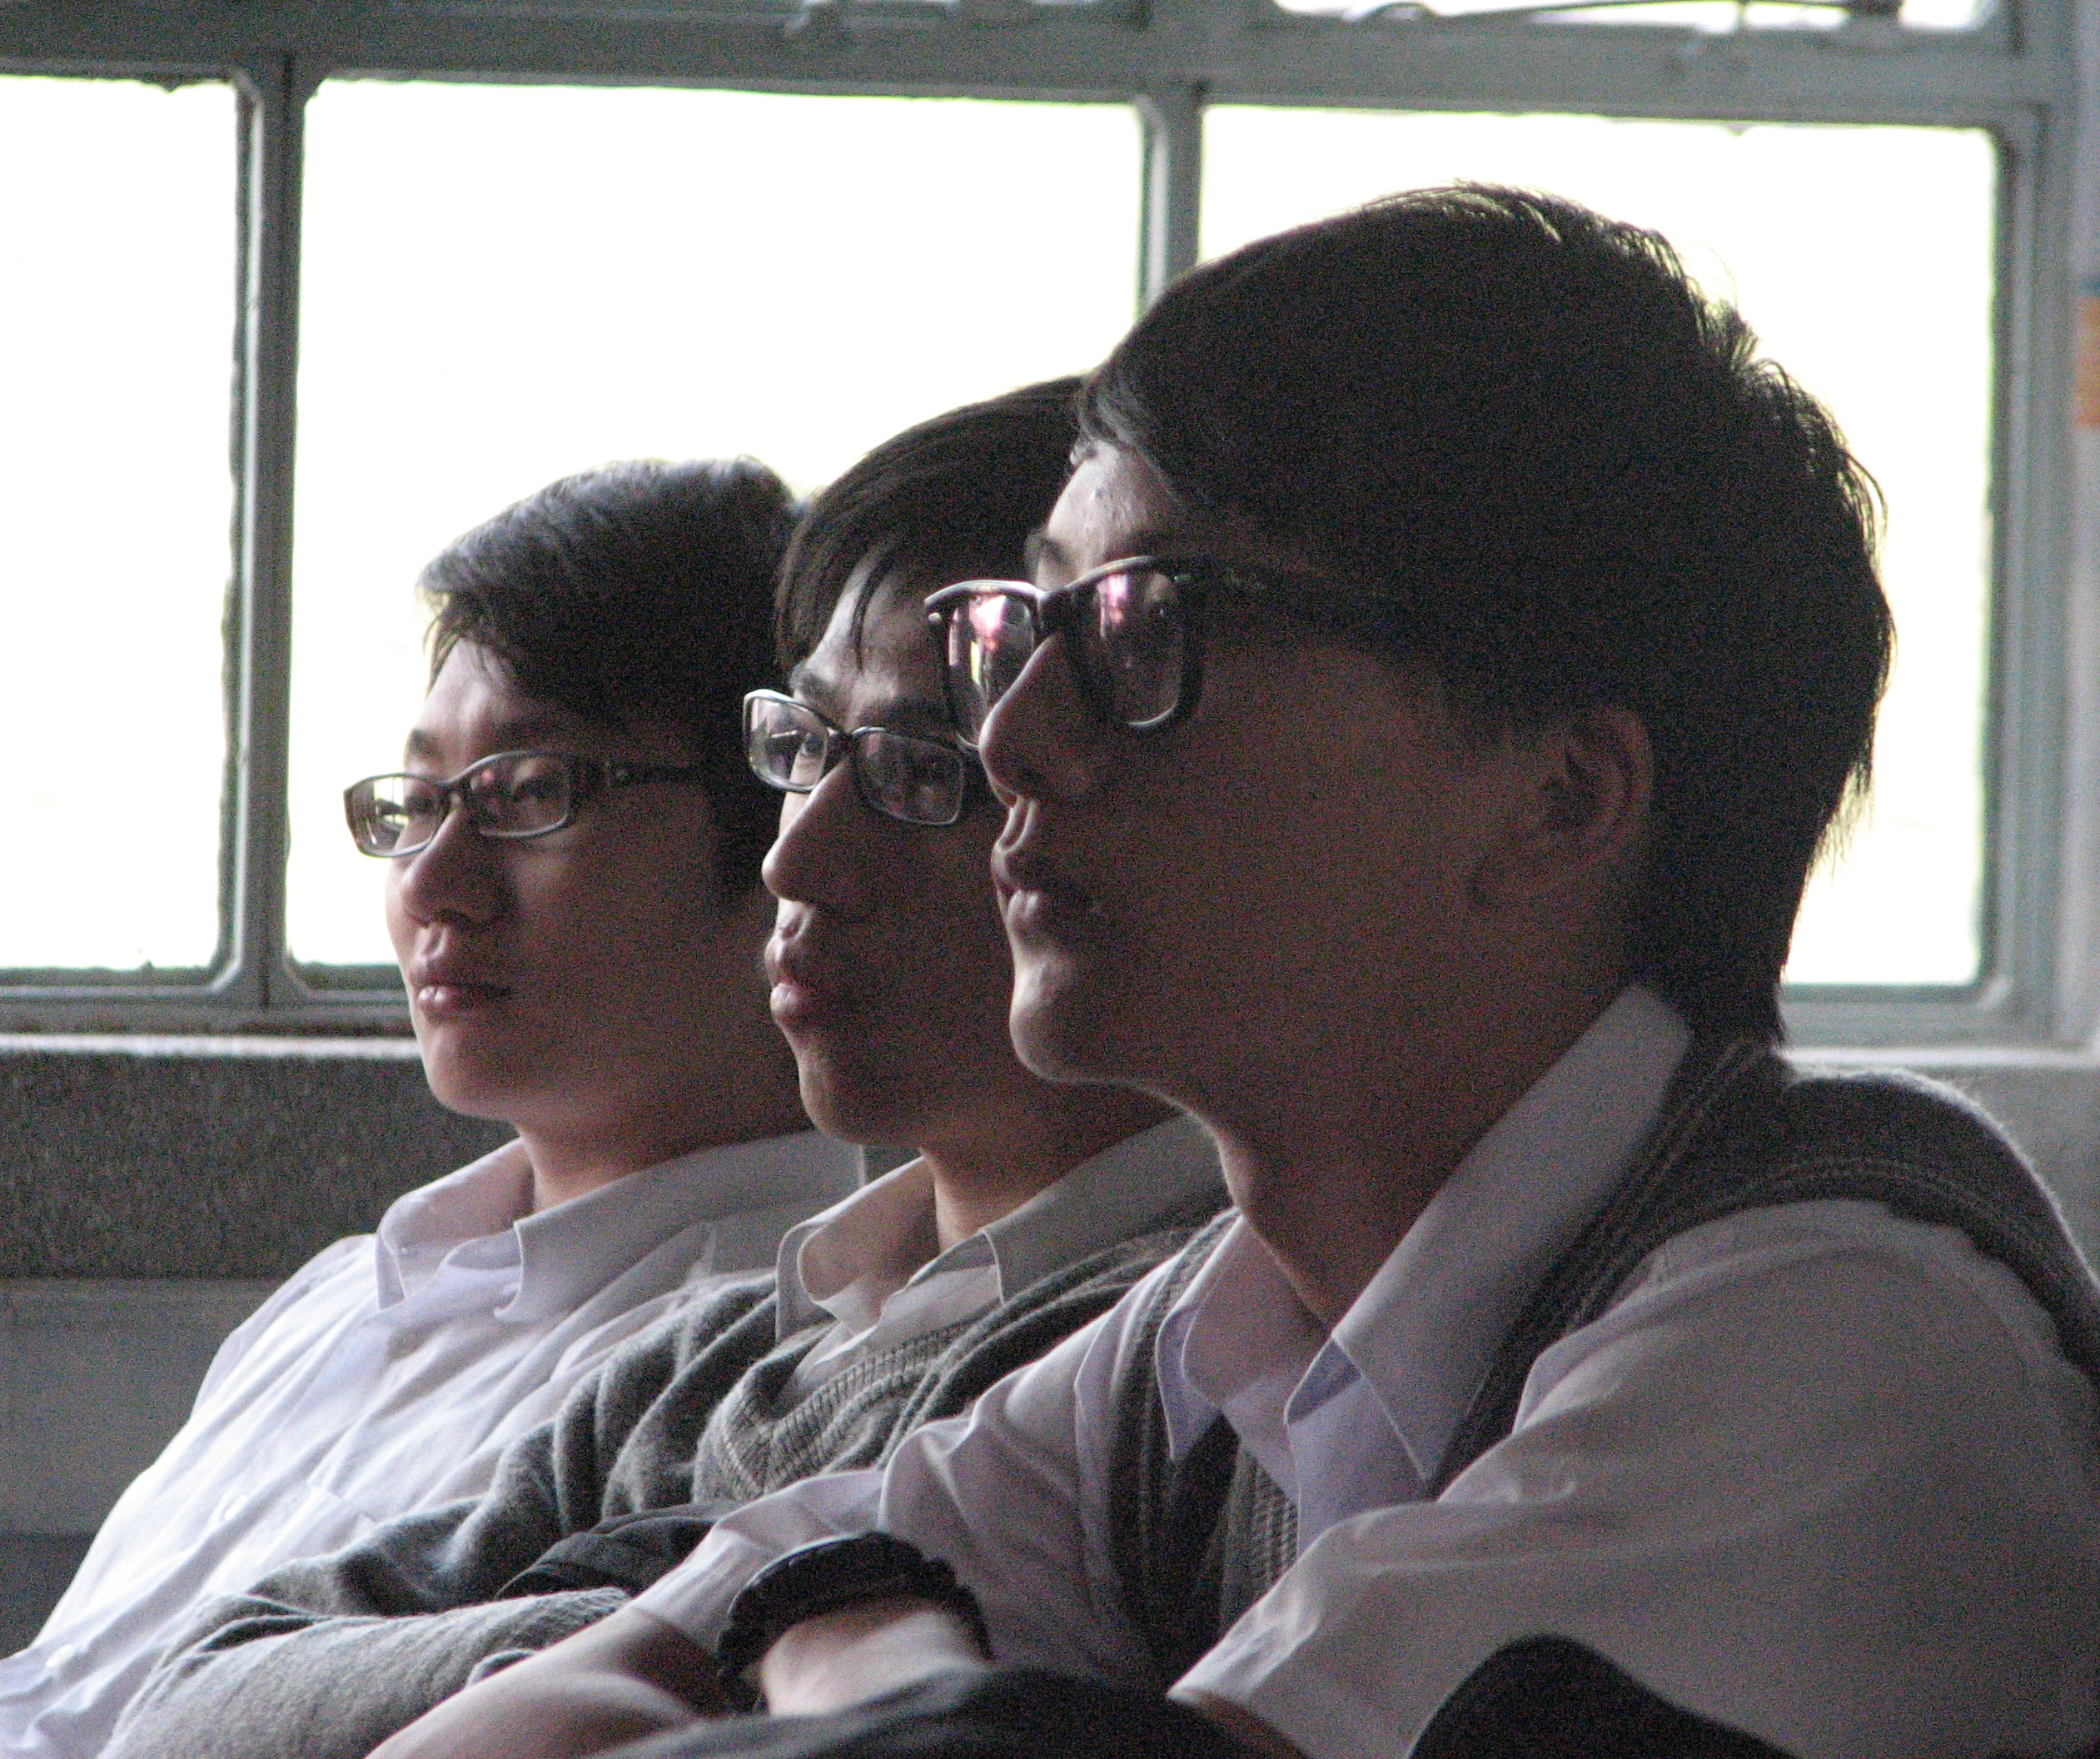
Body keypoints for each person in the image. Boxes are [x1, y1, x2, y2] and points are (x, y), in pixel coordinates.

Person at [382, 187, 2100, 1759]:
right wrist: (867, 1630)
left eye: (1145, 633)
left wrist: (844, 1625)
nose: (1013, 739)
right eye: (1026, 628)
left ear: (1558, 800)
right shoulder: (1210, 1348)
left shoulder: (1840, 1341)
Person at [95, 379, 1227, 1759]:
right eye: (804, 750)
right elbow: (190, 1696)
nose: (797, 854)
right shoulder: (723, 1355)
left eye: (925, 770)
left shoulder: (1185, 1371)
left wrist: (673, 1617)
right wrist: (678, 1618)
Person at [0, 459, 860, 1759]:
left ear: (783, 835)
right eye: (419, 804)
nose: (434, 882)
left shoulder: (754, 1379)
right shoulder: (343, 1298)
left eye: (530, 794)